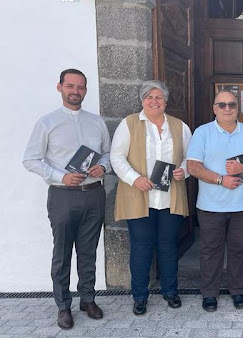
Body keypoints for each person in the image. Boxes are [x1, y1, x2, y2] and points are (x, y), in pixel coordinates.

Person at [22, 69, 111, 329]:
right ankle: (63, 305)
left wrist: (103, 168)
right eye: (70, 86)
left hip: (94, 194)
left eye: (81, 87)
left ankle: (88, 299)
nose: (76, 91)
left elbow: (106, 153)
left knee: (88, 251)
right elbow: (30, 159)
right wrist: (60, 176)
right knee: (61, 253)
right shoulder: (46, 123)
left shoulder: (96, 122)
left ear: (85, 90)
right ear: (59, 87)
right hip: (63, 196)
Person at [110, 80, 191, 316]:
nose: (154, 101)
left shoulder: (179, 126)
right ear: (142, 100)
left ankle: (170, 291)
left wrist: (183, 171)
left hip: (169, 197)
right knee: (141, 248)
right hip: (139, 195)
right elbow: (116, 156)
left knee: (168, 247)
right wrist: (134, 178)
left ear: (166, 101)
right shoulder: (129, 124)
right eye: (149, 97)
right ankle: (140, 296)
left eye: (158, 97)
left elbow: (191, 157)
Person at [187, 90, 243, 312]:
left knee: (238, 249)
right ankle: (209, 293)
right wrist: (221, 179)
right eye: (221, 105)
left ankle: (237, 291)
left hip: (241, 205)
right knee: (210, 250)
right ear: (214, 108)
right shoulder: (202, 133)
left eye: (231, 104)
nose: (227, 109)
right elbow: (193, 166)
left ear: (237, 108)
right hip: (211, 204)